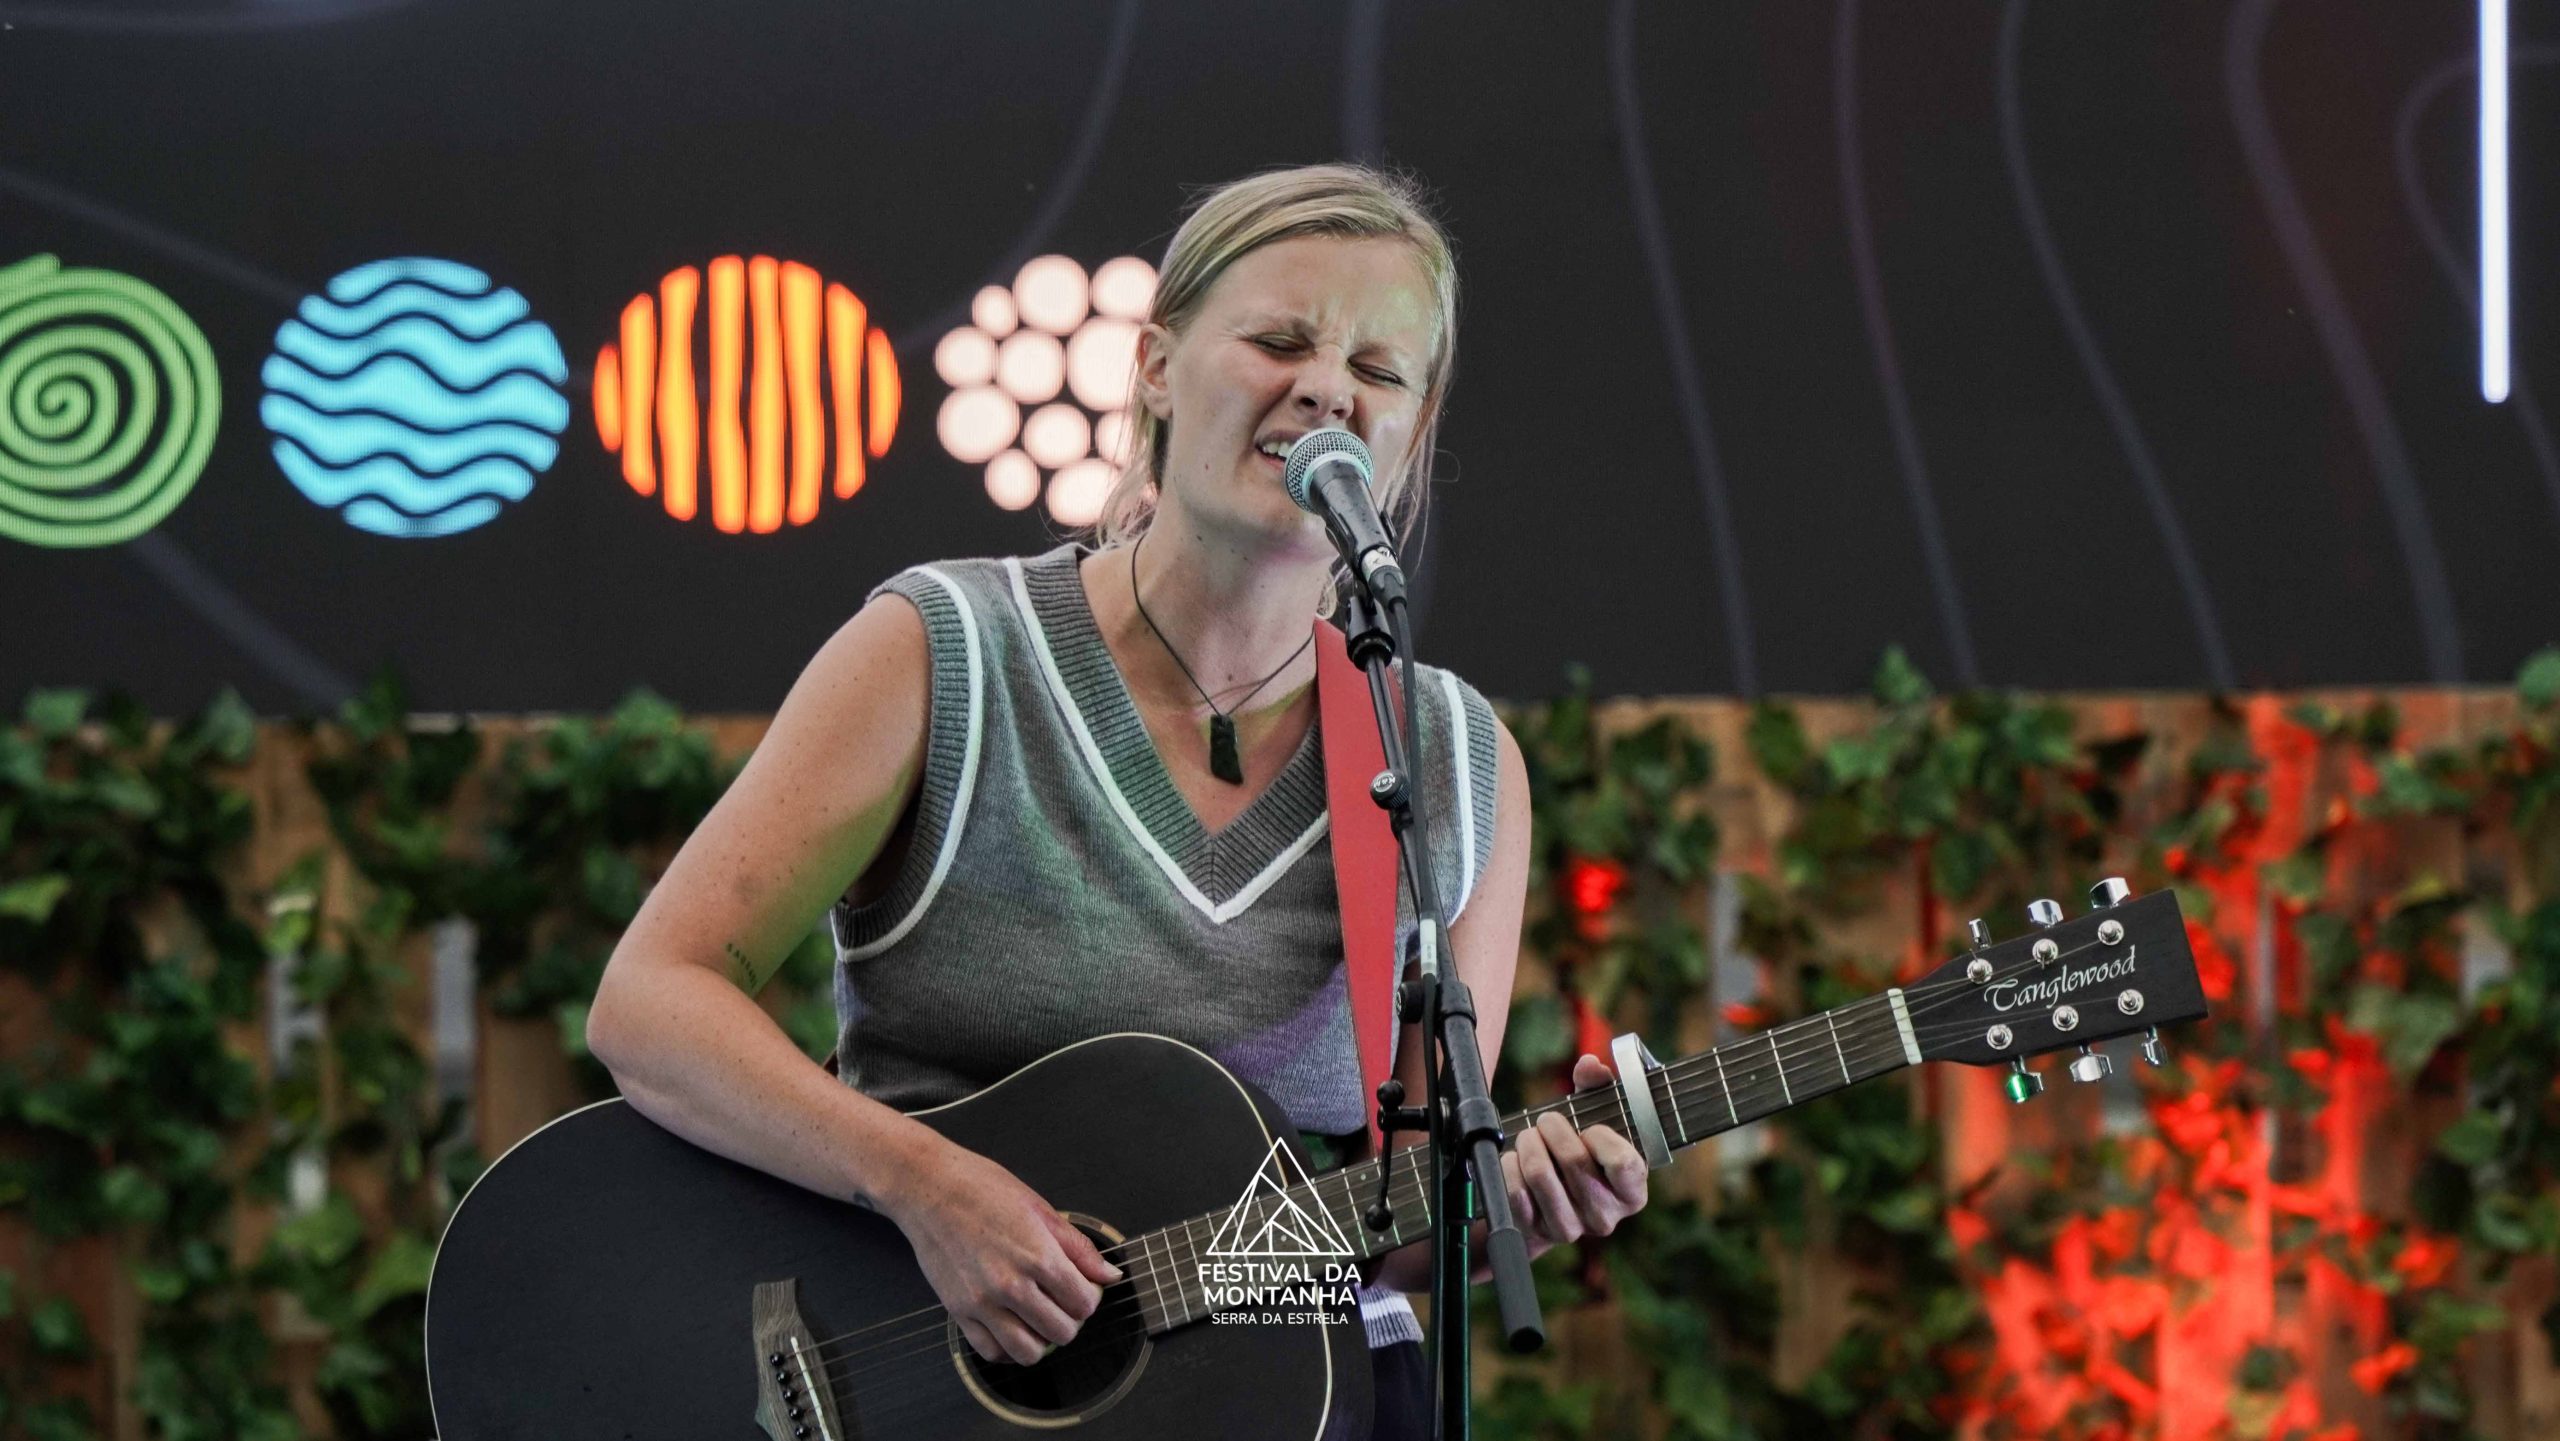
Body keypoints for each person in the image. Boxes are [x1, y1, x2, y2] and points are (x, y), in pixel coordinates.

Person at [586, 163, 1649, 1438]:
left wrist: (1509, 1208)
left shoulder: (1452, 758)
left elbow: (1385, 1226)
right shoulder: (940, 650)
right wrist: (922, 1182)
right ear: (1153, 367)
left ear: (1412, 430)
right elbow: (649, 1004)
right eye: (1279, 340)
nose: (1328, 388)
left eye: (1379, 369)